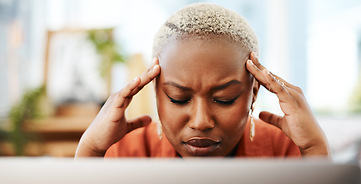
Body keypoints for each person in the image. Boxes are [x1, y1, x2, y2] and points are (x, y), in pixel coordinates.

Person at [75, 3, 330, 158]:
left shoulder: (285, 150)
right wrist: (90, 149)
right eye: (178, 98)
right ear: (155, 92)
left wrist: (314, 148)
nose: (201, 121)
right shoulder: (128, 151)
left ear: (253, 94)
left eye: (224, 99)